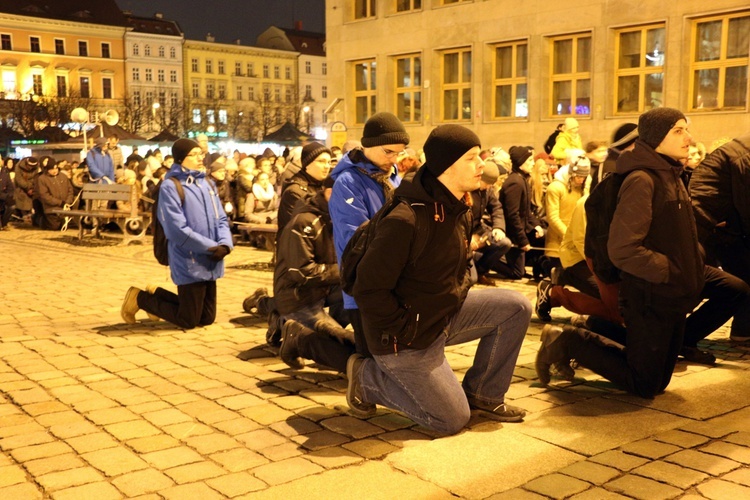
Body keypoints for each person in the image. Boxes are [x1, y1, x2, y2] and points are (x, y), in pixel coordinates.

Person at [346, 124, 530, 433]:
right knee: (451, 419)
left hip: (440, 316)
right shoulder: (405, 219)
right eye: (472, 158)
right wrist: (405, 331)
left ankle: (484, 394)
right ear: (447, 165)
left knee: (515, 306)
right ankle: (366, 379)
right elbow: (368, 289)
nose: (482, 165)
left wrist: (455, 297)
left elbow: (456, 270)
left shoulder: (458, 208)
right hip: (404, 338)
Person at [536, 107, 705, 398]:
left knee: (657, 381)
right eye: (678, 130)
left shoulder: (672, 174)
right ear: (656, 137)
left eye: (686, 129)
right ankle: (567, 341)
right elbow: (624, 248)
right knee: (645, 384)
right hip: (651, 293)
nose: (688, 137)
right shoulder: (643, 179)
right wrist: (667, 270)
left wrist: (693, 260)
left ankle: (593, 328)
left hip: (672, 292)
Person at [121, 138, 233, 329]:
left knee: (206, 318)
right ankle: (140, 298)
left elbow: (221, 218)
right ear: (181, 159)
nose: (200, 158)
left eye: (201, 154)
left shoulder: (207, 183)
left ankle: (157, 295)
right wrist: (209, 247)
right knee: (188, 320)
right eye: (194, 154)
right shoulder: (171, 186)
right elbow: (176, 230)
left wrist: (224, 243)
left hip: (212, 257)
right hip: (189, 258)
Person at [329, 112, 409, 357]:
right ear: (368, 145)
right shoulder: (348, 183)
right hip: (363, 285)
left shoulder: (393, 177)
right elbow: (357, 240)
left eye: (399, 153)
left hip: (393, 284)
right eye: (389, 152)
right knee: (372, 355)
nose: (394, 159)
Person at [275, 177, 355, 373]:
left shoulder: (341, 217)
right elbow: (301, 272)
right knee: (349, 354)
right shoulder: (304, 222)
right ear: (329, 193)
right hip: (299, 296)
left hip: (325, 289)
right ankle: (297, 338)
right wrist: (346, 270)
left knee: (359, 291)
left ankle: (330, 326)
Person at [690, 131, 750, 341]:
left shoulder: (740, 152)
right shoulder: (744, 157)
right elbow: (746, 206)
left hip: (717, 228)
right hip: (708, 229)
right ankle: (679, 338)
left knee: (741, 281)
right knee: (732, 285)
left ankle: (743, 331)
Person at [495, 146, 545, 280]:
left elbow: (526, 210)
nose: (533, 163)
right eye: (529, 161)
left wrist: (536, 225)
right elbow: (513, 215)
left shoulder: (521, 179)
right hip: (513, 233)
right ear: (521, 163)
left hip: (520, 230)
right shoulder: (515, 183)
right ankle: (486, 261)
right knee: (517, 273)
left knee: (543, 236)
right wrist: (523, 241)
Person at [544, 150, 590, 274]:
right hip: (557, 243)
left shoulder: (585, 187)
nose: (581, 180)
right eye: (578, 177)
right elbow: (553, 217)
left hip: (577, 243)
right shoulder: (556, 187)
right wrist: (569, 236)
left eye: (584, 177)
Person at [468, 159, 511, 286]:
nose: (487, 187)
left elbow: (496, 208)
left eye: (490, 185)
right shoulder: (466, 189)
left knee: (504, 243)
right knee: (471, 280)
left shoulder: (487, 190)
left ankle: (481, 271)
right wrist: (468, 237)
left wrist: (498, 228)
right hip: (464, 232)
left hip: (478, 229)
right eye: (485, 183)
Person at [33, 158, 74, 230]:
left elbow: (70, 190)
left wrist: (68, 201)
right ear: (48, 170)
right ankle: (40, 220)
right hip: (51, 207)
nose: (55, 171)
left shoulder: (63, 176)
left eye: (56, 168)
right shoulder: (42, 179)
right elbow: (44, 195)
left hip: (65, 206)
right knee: (54, 227)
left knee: (66, 225)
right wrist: (59, 202)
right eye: (52, 169)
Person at [13, 156, 39, 221]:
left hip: (32, 186)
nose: (31, 168)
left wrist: (32, 187)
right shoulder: (18, 166)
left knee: (32, 199)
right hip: (20, 186)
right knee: (22, 198)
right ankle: (24, 214)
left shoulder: (36, 167)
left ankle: (30, 215)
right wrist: (27, 188)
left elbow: (36, 177)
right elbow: (19, 180)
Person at [0, 157, 15, 230]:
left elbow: (10, 187)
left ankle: (4, 223)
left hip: (3, 195)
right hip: (1, 195)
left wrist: (9, 195)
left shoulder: (5, 172)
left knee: (12, 205)